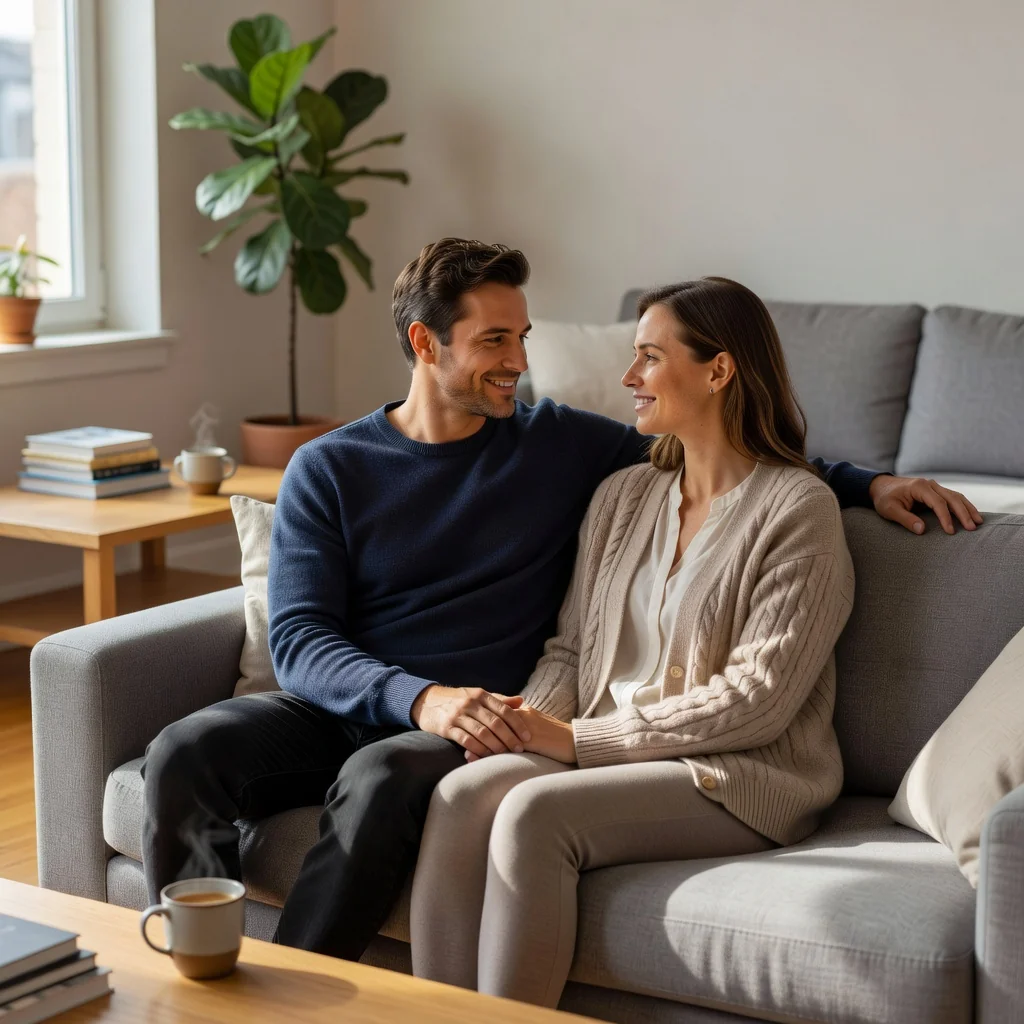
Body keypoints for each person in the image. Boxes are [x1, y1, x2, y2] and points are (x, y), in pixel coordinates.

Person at [141, 240, 982, 963]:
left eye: (524, 336)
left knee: (381, 775)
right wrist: (418, 698)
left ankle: (288, 998)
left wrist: (869, 481)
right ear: (423, 342)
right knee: (184, 751)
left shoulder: (563, 443)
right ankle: (195, 969)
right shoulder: (332, 466)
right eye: (494, 339)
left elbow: (725, 458)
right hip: (374, 702)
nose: (518, 359)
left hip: (495, 715)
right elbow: (299, 639)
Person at [409, 277, 858, 1005]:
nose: (628, 378)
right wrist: (527, 729)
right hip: (609, 742)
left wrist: (578, 743)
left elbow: (757, 701)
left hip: (737, 773)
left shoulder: (798, 509)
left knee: (534, 812)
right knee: (462, 793)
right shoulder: (623, 496)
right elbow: (572, 651)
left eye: (649, 357)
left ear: (718, 371)